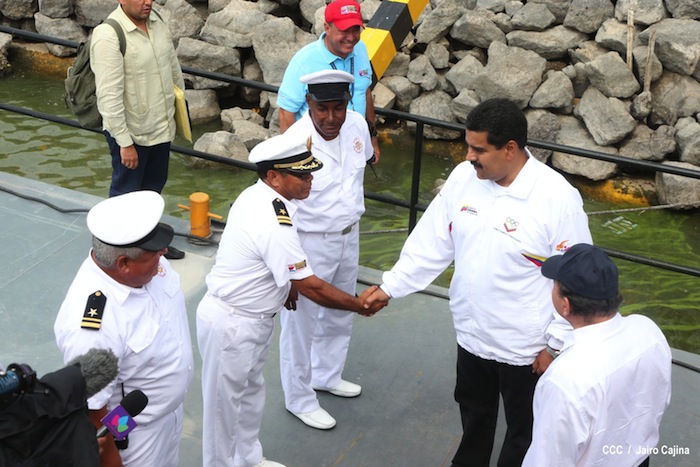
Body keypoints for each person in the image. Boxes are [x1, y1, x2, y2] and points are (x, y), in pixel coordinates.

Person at [364, 98, 593, 467]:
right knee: (473, 413)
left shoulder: (557, 198)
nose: (468, 156)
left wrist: (555, 344)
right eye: (468, 146)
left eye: (478, 149)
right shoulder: (463, 179)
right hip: (472, 334)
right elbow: (432, 242)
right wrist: (391, 286)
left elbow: (576, 277)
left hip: (526, 346)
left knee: (524, 431)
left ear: (510, 149)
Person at [195, 126, 385, 467]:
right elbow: (312, 285)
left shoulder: (264, 198)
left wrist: (288, 285)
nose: (311, 180)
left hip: (252, 320)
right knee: (223, 412)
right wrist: (357, 305)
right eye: (302, 175)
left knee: (250, 396)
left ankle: (249, 459)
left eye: (310, 172)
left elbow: (280, 267)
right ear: (274, 176)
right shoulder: (272, 218)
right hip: (233, 324)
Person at [54, 190, 194, 467]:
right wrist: (118, 447)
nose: (164, 252)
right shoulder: (93, 327)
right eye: (155, 252)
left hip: (170, 415)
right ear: (124, 263)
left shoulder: (150, 267)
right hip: (136, 436)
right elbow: (94, 414)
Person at [278, 69, 374, 430]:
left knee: (339, 311)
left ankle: (327, 374)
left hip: (349, 234)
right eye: (322, 109)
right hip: (310, 240)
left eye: (338, 107)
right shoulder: (294, 143)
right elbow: (283, 208)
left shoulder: (357, 125)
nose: (331, 118)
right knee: (300, 325)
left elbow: (359, 172)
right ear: (309, 103)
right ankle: (299, 399)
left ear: (348, 102)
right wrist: (290, 267)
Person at [523, 244, 672, 467]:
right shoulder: (648, 331)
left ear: (565, 305)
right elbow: (660, 399)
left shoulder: (565, 378)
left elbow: (548, 460)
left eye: (554, 285)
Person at [91, 0, 185, 259]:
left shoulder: (157, 21)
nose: (148, 2)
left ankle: (148, 246)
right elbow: (108, 97)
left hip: (161, 127)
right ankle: (115, 251)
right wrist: (124, 143)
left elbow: (172, 66)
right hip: (132, 134)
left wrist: (180, 105)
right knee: (125, 193)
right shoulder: (108, 36)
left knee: (153, 189)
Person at [277, 0, 380, 160]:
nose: (351, 38)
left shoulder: (361, 49)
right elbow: (286, 113)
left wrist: (372, 139)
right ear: (327, 28)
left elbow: (365, 92)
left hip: (354, 146)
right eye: (344, 31)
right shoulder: (304, 61)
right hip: (317, 151)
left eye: (356, 30)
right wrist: (296, 161)